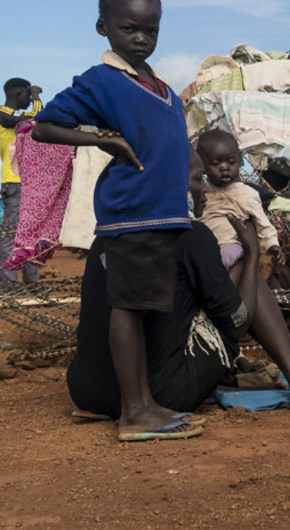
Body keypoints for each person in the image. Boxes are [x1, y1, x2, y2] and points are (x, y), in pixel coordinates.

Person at [33, 0, 206, 439]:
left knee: (142, 309)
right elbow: (45, 126)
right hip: (133, 214)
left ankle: (144, 402)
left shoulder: (157, 85)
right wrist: (99, 141)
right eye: (129, 28)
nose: (141, 38)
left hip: (160, 216)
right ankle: (134, 412)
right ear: (102, 26)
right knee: (128, 309)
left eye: (151, 30)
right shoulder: (101, 81)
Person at [67, 177, 290, 440]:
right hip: (164, 394)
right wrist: (251, 256)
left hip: (87, 391)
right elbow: (237, 325)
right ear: (177, 184)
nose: (206, 188)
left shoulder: (105, 236)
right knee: (242, 275)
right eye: (198, 178)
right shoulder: (190, 235)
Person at [194, 130, 283, 269]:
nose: (224, 167)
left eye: (231, 162)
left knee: (212, 268)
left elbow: (262, 222)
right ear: (202, 165)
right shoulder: (201, 190)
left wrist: (272, 244)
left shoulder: (246, 194)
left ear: (239, 161)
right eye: (215, 163)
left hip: (229, 245)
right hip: (202, 244)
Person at [0, 78, 43, 283]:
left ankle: (31, 282)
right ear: (17, 95)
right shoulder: (3, 114)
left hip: (30, 183)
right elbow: (36, 115)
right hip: (14, 183)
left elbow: (37, 118)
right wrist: (36, 98)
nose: (30, 99)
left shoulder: (20, 118)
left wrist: (34, 99)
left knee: (32, 235)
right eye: (27, 95)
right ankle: (9, 281)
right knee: (12, 235)